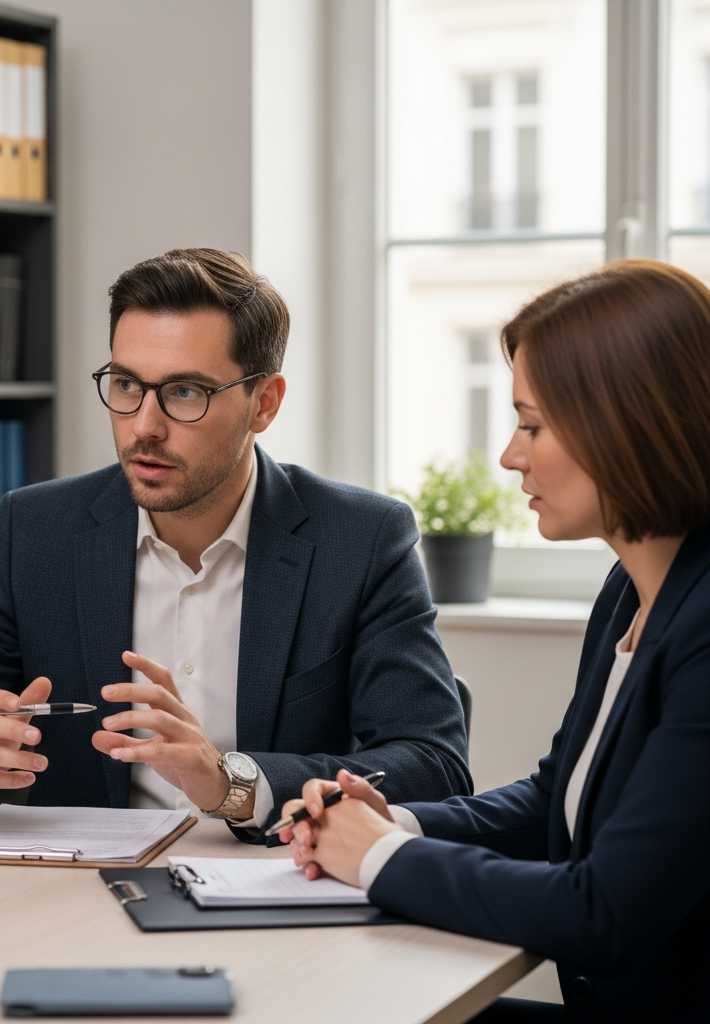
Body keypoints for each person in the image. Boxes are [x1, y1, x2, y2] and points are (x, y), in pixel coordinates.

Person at [0, 248, 471, 834]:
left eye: (185, 393)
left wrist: (233, 783)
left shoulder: (360, 541)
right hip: (77, 897)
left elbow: (435, 766)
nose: (144, 427)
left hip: (277, 890)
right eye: (126, 385)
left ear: (264, 403)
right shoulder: (38, 531)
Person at [280, 260, 710, 1023]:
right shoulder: (632, 590)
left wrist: (377, 858)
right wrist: (393, 822)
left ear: (631, 423)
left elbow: (602, 912)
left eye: (533, 424)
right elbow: (555, 799)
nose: (511, 456)